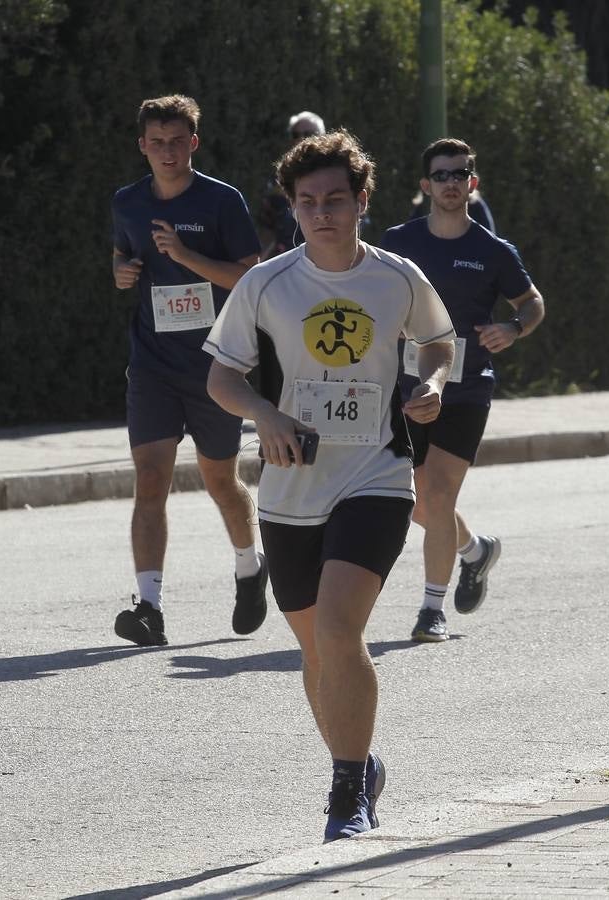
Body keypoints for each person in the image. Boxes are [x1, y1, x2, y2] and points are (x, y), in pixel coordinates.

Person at [205, 131, 455, 841]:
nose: (322, 213)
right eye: (308, 201)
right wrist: (264, 414)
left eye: (336, 200)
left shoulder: (397, 277)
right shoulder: (265, 284)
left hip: (377, 475)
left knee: (342, 630)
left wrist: (433, 382)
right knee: (318, 652)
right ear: (292, 206)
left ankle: (346, 796)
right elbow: (221, 377)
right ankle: (362, 763)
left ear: (362, 201)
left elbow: (439, 341)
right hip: (290, 488)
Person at [109, 94, 268, 647]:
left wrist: (185, 256)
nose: (168, 151)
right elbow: (122, 254)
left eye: (177, 141)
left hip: (215, 365)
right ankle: (148, 607)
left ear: (193, 142)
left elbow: (249, 277)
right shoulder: (127, 201)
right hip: (152, 363)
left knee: (220, 480)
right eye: (157, 142)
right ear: (142, 146)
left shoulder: (222, 200)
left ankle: (250, 568)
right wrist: (122, 271)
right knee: (150, 478)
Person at [380, 138, 545, 643]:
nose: (451, 183)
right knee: (414, 501)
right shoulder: (398, 241)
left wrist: (513, 327)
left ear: (472, 183)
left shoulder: (493, 250)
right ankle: (475, 550)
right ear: (425, 185)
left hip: (467, 387)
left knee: (438, 492)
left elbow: (532, 302)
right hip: (407, 387)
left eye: (460, 174)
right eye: (441, 175)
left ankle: (431, 609)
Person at [255, 111, 325, 260]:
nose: (301, 139)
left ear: (323, 137)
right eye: (295, 134)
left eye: (308, 134)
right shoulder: (279, 177)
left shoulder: (337, 175)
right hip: (284, 261)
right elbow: (266, 227)